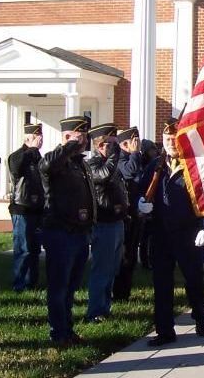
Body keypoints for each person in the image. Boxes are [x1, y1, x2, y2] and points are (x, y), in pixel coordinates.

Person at [138, 117, 204, 346]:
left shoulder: (194, 166)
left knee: (194, 280)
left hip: (188, 233)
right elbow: (139, 191)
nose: (171, 143)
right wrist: (140, 204)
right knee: (162, 284)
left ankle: (200, 316)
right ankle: (165, 330)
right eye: (167, 139)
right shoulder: (154, 166)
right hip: (161, 234)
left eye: (175, 138)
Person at [39, 115, 95, 345]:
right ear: (66, 137)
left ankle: (67, 328)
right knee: (59, 287)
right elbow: (47, 165)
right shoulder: (55, 161)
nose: (83, 142)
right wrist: (68, 146)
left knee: (71, 286)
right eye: (78, 137)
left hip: (79, 232)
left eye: (84, 137)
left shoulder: (79, 163)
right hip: (60, 232)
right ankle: (58, 332)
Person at [85, 123, 128, 323]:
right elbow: (103, 176)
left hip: (116, 221)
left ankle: (105, 306)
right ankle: (95, 311)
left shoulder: (111, 162)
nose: (115, 148)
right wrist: (113, 156)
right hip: (103, 223)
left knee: (112, 268)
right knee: (101, 269)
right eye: (111, 144)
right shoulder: (93, 164)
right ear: (100, 145)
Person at [7, 123, 45, 292]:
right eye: (37, 137)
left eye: (41, 137)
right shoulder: (18, 155)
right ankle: (19, 284)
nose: (40, 141)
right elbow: (16, 169)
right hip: (22, 207)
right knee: (23, 249)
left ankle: (32, 282)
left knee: (35, 249)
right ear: (28, 138)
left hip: (38, 209)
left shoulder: (38, 157)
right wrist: (30, 150)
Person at [112, 126, 143, 301]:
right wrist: (135, 153)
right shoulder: (120, 159)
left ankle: (125, 292)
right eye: (133, 142)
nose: (137, 145)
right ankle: (119, 293)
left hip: (136, 213)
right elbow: (129, 171)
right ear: (125, 144)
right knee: (123, 256)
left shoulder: (135, 157)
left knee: (131, 256)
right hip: (125, 215)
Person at [137, 139, 160, 270]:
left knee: (150, 236)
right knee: (145, 237)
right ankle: (146, 262)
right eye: (151, 149)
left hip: (151, 204)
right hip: (145, 202)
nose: (154, 152)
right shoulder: (144, 164)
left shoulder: (155, 162)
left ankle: (150, 260)